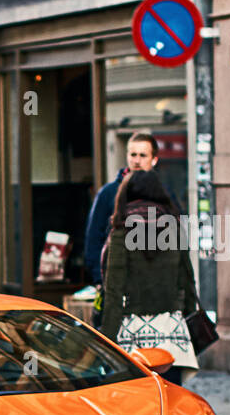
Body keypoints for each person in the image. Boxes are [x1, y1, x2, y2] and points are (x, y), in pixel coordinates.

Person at [100, 170, 198, 386]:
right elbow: (187, 280)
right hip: (171, 333)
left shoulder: (121, 232)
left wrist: (106, 339)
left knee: (138, 403)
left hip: (133, 336)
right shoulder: (173, 228)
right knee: (171, 400)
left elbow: (113, 291)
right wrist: (190, 320)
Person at [84, 131, 172, 286]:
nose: (137, 161)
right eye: (133, 155)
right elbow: (94, 239)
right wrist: (101, 279)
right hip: (117, 281)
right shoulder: (108, 193)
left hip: (157, 283)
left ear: (154, 160)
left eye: (143, 155)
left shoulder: (164, 193)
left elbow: (177, 235)